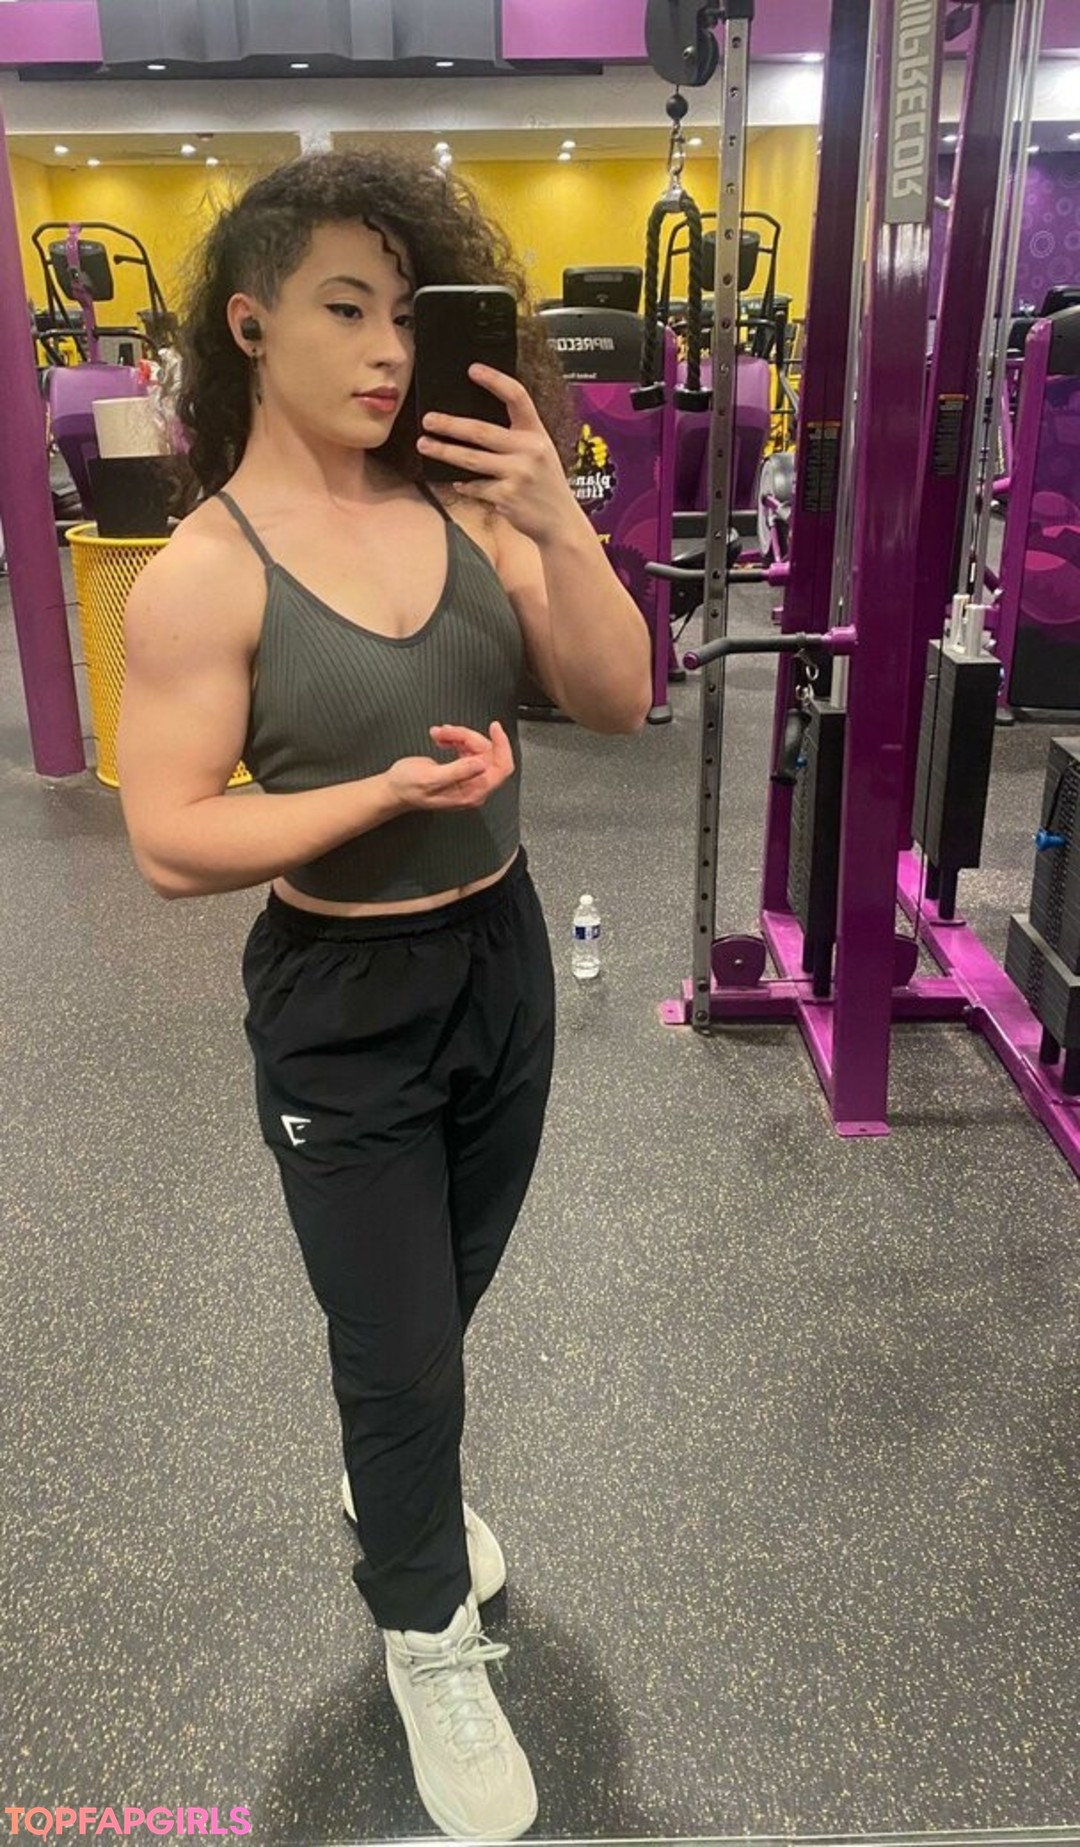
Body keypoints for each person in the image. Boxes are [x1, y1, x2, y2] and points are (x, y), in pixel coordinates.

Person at [116, 150, 651, 1842]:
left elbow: (620, 702)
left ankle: (389, 1470)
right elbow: (170, 838)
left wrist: (557, 515)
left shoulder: (472, 508)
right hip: (341, 993)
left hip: (503, 961)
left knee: (445, 1294)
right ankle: (426, 1632)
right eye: (344, 310)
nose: (385, 351)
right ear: (249, 323)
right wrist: (376, 797)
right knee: (401, 1348)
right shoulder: (206, 571)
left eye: (408, 317)